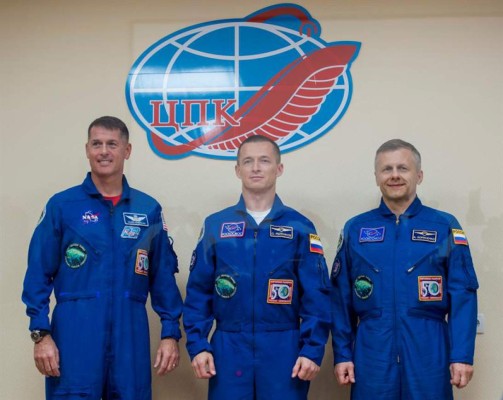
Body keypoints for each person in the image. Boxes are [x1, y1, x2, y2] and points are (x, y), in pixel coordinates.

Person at [22, 116, 183, 400]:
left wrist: (170, 333)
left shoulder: (148, 209)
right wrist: (40, 333)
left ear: (127, 150)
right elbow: (37, 272)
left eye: (112, 144)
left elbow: (162, 278)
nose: (104, 151)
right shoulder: (62, 206)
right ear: (87, 149)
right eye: (97, 144)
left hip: (130, 337)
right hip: (75, 335)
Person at [183, 135, 331, 400]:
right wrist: (198, 345)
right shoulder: (216, 226)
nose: (256, 168)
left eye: (264, 161)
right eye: (248, 161)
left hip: (283, 347)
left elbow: (317, 296)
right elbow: (198, 292)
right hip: (229, 347)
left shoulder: (300, 227)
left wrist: (312, 349)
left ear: (279, 168)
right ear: (237, 170)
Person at [331, 139, 479, 400]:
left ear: (419, 175)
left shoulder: (444, 225)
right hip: (372, 353)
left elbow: (463, 295)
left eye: (403, 168)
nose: (395, 175)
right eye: (387, 169)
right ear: (376, 176)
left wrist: (462, 355)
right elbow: (340, 298)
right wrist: (343, 354)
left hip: (429, 350)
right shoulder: (356, 228)